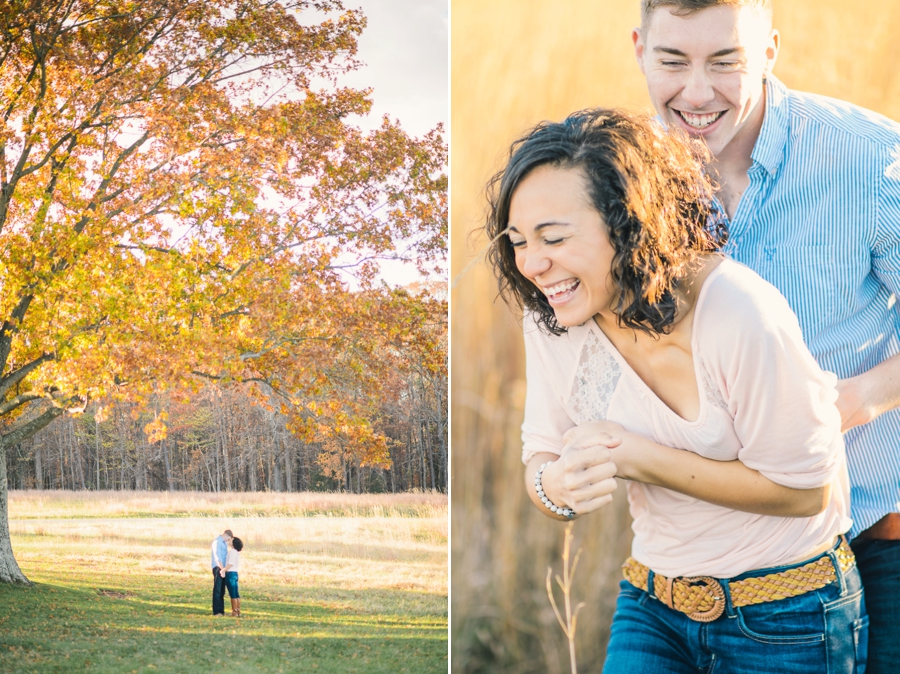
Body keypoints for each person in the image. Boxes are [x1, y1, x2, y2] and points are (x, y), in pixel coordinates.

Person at [486, 108, 864, 672]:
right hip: (653, 602)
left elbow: (805, 492)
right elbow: (540, 452)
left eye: (554, 238)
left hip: (791, 616)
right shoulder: (553, 317)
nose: (533, 265)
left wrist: (643, 459)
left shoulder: (739, 313)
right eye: (518, 241)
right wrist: (554, 485)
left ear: (627, 223)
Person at [631, 1, 900, 671]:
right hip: (697, 562)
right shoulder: (626, 178)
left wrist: (858, 398)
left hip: (874, 536)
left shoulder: (868, 159)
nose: (697, 93)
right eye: (673, 61)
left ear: (771, 51)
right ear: (639, 49)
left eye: (726, 62)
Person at [210, 529, 232, 617]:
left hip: (223, 568)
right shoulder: (217, 542)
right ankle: (217, 611)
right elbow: (217, 557)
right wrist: (222, 569)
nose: (228, 541)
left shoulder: (224, 543)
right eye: (229, 539)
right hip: (218, 567)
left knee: (222, 590)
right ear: (226, 535)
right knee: (218, 589)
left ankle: (221, 610)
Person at [220, 537, 243, 618]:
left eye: (231, 540)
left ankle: (234, 611)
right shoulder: (236, 552)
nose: (229, 541)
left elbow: (230, 563)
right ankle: (238, 610)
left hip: (230, 573)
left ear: (234, 543)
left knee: (232, 594)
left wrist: (223, 570)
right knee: (236, 593)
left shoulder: (232, 551)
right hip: (235, 573)